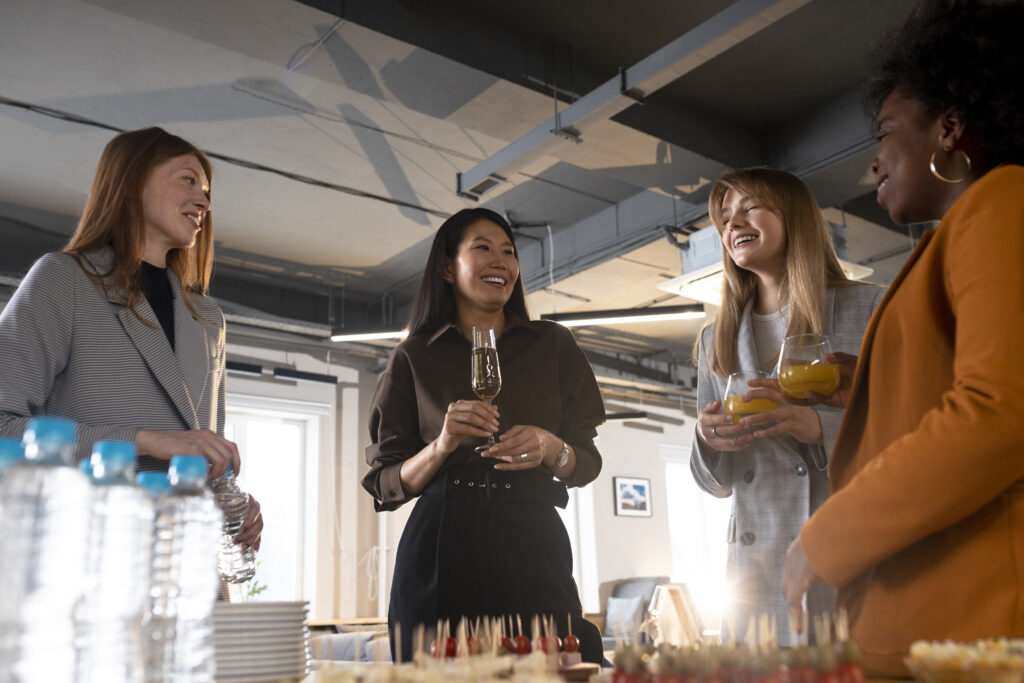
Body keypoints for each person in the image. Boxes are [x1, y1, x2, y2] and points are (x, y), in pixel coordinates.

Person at [782, 0, 1024, 675]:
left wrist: (823, 538)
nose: (874, 163)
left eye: (886, 132)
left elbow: (1002, 411)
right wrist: (867, 383)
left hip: (968, 636)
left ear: (949, 128)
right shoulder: (963, 231)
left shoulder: (1001, 200)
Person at [0, 126, 262, 551]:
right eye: (188, 180)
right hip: (85, 556)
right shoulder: (63, 281)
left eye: (207, 190)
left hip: (182, 566)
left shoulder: (209, 320)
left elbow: (202, 457)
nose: (205, 202)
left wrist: (233, 503)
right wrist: (142, 440)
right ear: (133, 181)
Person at [363, 207, 605, 662]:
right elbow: (386, 483)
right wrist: (442, 444)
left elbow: (586, 461)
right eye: (483, 248)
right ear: (447, 268)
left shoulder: (554, 345)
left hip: (533, 539)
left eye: (509, 251)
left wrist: (553, 449)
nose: (501, 261)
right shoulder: (414, 357)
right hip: (441, 544)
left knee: (563, 667)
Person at [690, 168, 883, 644]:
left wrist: (815, 426)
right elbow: (712, 483)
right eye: (724, 216)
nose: (732, 223)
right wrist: (705, 439)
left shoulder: (871, 307)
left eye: (749, 206)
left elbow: (911, 426)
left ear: (794, 216)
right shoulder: (714, 339)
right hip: (755, 571)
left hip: (845, 543)